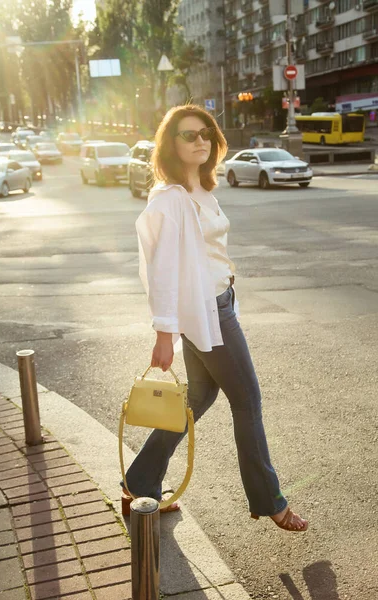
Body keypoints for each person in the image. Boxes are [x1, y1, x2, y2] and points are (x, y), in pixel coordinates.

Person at [121, 104, 308, 532]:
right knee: (248, 403)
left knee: (197, 400)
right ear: (171, 145)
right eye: (188, 135)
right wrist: (164, 333)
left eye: (205, 132)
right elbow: (162, 268)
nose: (200, 140)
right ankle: (270, 500)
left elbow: (208, 256)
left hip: (214, 309)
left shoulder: (201, 191)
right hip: (207, 315)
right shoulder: (170, 200)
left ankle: (141, 480)